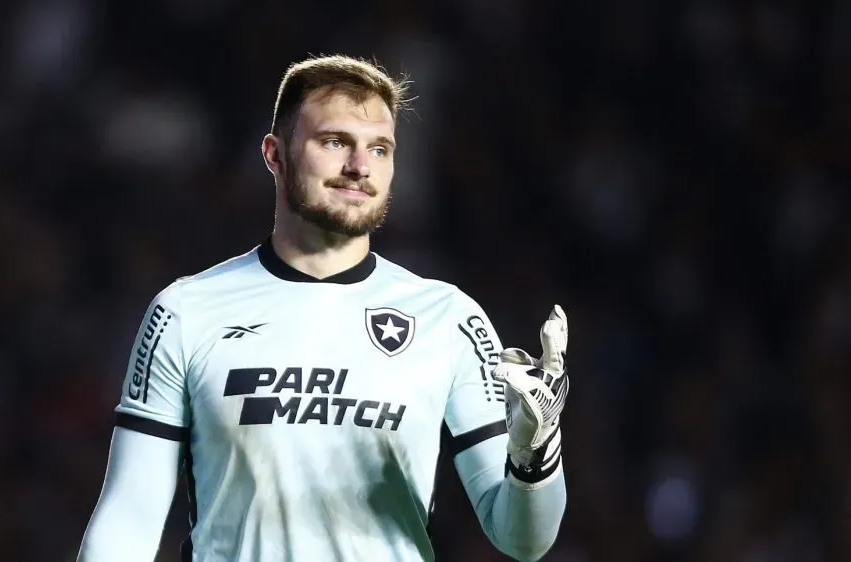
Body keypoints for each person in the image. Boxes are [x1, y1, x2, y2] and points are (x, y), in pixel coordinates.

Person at [77, 54, 569, 562]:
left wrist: (535, 450)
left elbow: (524, 541)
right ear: (275, 154)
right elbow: (128, 521)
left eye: (379, 148)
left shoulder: (448, 318)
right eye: (334, 142)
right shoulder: (185, 311)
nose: (359, 166)